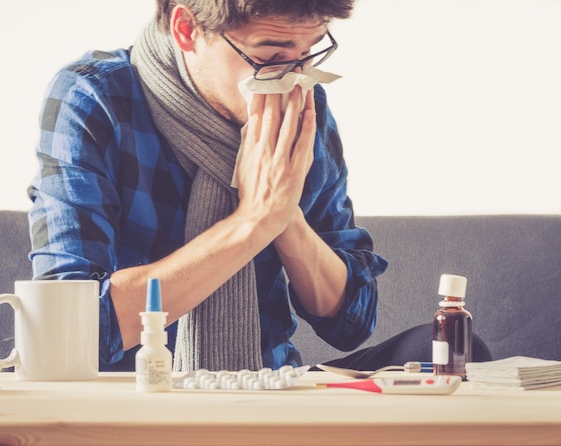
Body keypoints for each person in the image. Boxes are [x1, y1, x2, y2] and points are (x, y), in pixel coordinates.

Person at [28, 0, 437, 373]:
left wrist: (283, 215)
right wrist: (252, 221)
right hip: (131, 391)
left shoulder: (303, 106)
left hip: (269, 383)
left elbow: (351, 320)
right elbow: (72, 332)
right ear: (186, 29)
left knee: (446, 348)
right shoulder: (94, 97)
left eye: (309, 52)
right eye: (269, 57)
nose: (295, 79)